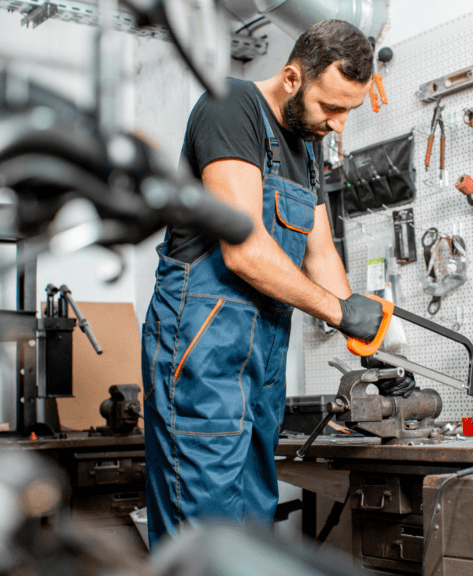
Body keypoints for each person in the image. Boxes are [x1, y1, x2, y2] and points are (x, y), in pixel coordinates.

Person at [141, 20, 390, 546]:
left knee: (252, 514)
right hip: (202, 347)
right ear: (293, 77)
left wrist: (358, 319)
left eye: (350, 110)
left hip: (261, 358)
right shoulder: (230, 107)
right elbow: (246, 251)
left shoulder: (307, 143)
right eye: (332, 107)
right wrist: (337, 311)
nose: (340, 125)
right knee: (203, 518)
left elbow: (319, 248)